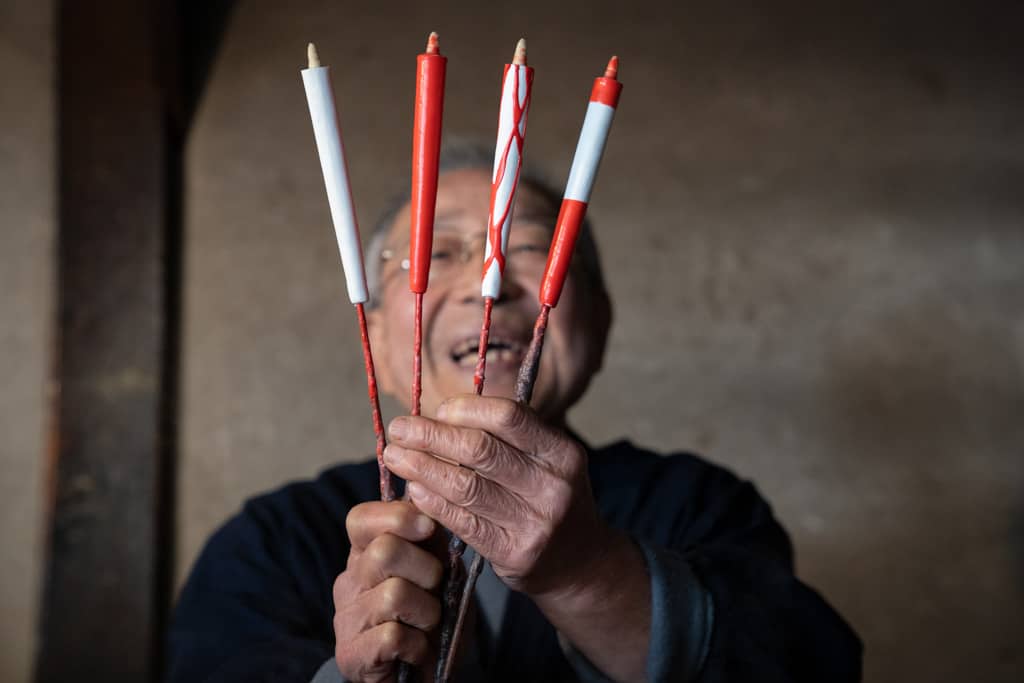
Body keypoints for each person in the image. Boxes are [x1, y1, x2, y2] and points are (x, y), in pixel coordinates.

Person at [167, 144, 862, 682]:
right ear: (374, 339)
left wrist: (587, 573)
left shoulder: (697, 504)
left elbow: (808, 664)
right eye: (436, 253)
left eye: (529, 245)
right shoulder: (273, 541)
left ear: (598, 321)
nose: (487, 278)